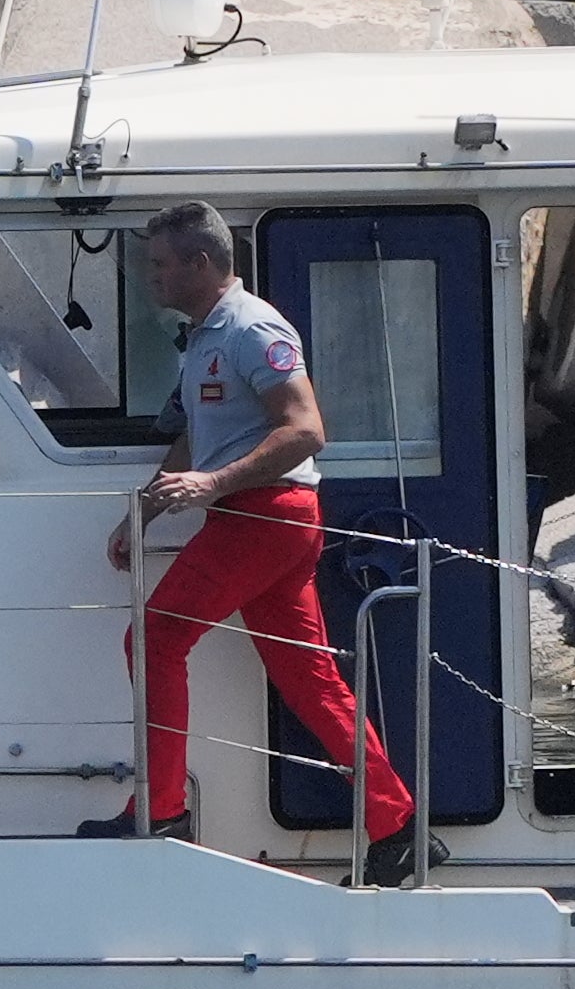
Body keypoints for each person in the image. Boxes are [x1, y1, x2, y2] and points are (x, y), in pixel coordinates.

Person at [100, 203, 421, 879]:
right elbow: (196, 436)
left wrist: (213, 483)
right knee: (310, 679)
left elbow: (305, 430)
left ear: (202, 263)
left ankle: (159, 812)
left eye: (161, 264)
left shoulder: (252, 328)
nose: (151, 276)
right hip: (255, 518)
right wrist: (146, 514)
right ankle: (397, 824)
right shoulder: (203, 337)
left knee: (154, 637)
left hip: (266, 516)